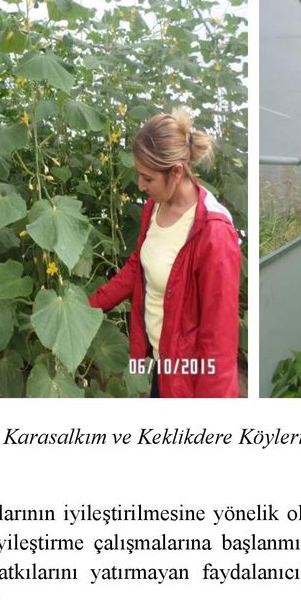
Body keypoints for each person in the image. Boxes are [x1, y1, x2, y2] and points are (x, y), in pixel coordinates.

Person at [89, 110, 241, 397]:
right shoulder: (156, 207)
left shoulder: (213, 232)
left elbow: (218, 343)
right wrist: (91, 305)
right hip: (163, 364)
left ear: (176, 172)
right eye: (139, 175)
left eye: (148, 178)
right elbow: (139, 266)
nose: (140, 185)